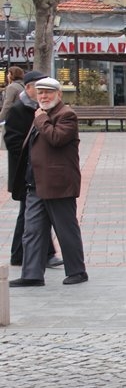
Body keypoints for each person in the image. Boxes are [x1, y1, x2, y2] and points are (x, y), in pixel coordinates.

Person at [9, 77, 87, 287]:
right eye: (40, 92)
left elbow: (56, 138)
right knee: (32, 231)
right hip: (34, 184)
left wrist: (41, 119)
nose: (43, 96)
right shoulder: (40, 115)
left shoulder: (66, 115)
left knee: (65, 229)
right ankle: (32, 274)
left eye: (48, 93)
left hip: (58, 184)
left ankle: (77, 271)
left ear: (58, 95)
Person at [3, 70, 62, 268]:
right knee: (29, 214)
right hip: (25, 172)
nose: (42, 94)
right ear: (28, 88)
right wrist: (33, 154)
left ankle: (35, 254)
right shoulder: (20, 110)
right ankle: (24, 255)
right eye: (38, 89)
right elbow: (12, 142)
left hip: (38, 170)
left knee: (34, 213)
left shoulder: (40, 109)